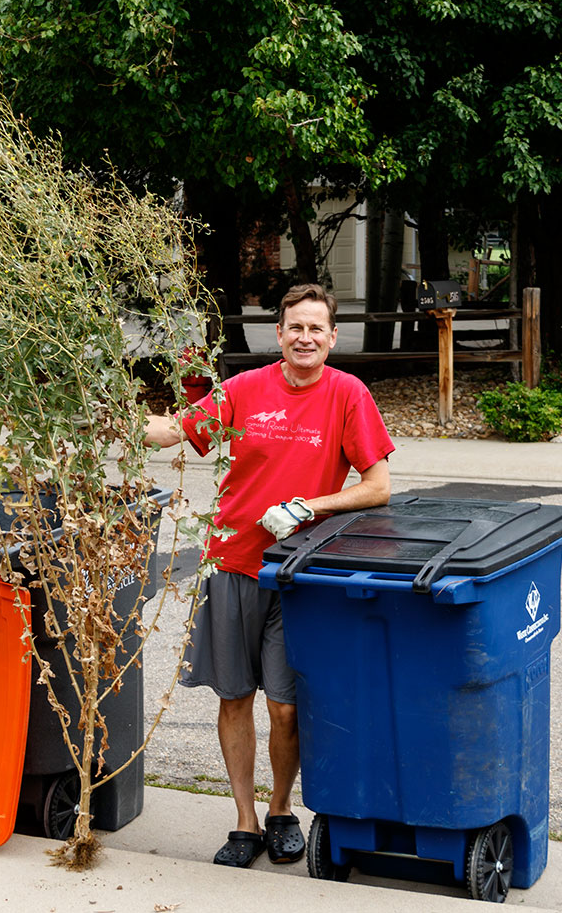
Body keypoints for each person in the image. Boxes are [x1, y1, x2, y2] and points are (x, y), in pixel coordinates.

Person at [145, 283, 394, 869]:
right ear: (279, 335)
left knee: (285, 706)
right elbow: (177, 432)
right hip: (232, 563)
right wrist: (120, 419)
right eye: (295, 328)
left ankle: (282, 810)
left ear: (332, 338)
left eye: (316, 328)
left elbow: (379, 487)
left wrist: (313, 506)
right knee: (235, 698)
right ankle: (245, 821)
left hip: (300, 575)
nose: (305, 337)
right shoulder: (244, 389)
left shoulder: (348, 395)